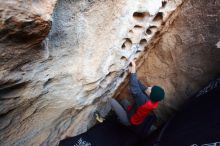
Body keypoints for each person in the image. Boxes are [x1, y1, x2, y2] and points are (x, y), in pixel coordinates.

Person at [110, 60, 165, 126]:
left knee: (111, 101)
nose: (149, 87)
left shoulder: (145, 102)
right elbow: (140, 86)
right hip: (133, 112)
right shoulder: (153, 99)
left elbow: (135, 89)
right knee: (124, 101)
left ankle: (101, 117)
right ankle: (118, 114)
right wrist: (132, 72)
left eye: (151, 89)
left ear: (150, 94)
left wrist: (134, 68)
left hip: (129, 120)